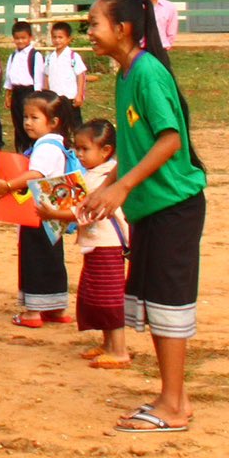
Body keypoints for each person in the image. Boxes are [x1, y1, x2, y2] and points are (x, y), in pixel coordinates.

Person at [78, 0, 208, 435]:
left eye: (94, 23)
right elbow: (138, 147)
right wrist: (107, 187)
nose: (88, 31)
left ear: (122, 28)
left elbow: (172, 140)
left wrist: (123, 187)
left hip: (174, 205)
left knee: (169, 304)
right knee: (154, 303)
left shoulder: (148, 72)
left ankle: (172, 405)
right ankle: (174, 396)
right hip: (150, 207)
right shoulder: (124, 74)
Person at [0, 90, 77, 327]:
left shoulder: (45, 147)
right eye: (26, 117)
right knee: (53, 259)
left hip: (38, 214)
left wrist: (8, 186)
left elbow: (35, 174)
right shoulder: (59, 144)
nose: (27, 122)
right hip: (54, 214)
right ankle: (56, 308)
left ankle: (32, 313)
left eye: (34, 117)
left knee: (34, 259)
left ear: (54, 122)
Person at [71, 119, 127, 368]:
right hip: (96, 244)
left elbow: (86, 211)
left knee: (110, 298)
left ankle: (120, 350)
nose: (79, 154)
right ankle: (108, 344)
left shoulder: (103, 177)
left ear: (105, 151)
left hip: (108, 245)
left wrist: (53, 214)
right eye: (77, 149)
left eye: (85, 149)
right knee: (97, 295)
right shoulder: (94, 174)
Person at [4, 21, 42, 152]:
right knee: (18, 121)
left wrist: (36, 97)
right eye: (17, 38)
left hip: (29, 93)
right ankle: (20, 148)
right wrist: (8, 95)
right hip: (17, 92)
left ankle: (32, 147)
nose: (20, 41)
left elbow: (38, 78)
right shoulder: (13, 55)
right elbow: (9, 76)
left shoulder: (35, 55)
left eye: (23, 38)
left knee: (29, 122)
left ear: (30, 38)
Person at [43, 21, 87, 108]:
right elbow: (47, 76)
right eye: (54, 37)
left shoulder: (73, 56)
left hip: (70, 97)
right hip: (54, 98)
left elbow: (81, 76)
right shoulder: (49, 58)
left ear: (68, 39)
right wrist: (46, 94)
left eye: (60, 37)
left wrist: (79, 95)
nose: (57, 40)